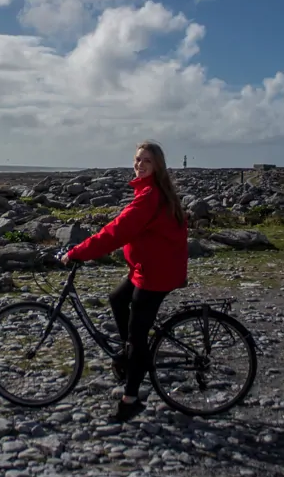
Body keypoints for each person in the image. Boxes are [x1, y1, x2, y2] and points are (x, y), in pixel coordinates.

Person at [61, 140, 189, 422]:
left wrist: (77, 252)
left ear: (157, 166)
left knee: (137, 337)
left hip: (156, 274)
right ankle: (127, 355)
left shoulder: (149, 197)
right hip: (148, 268)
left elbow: (116, 232)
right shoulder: (151, 191)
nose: (139, 164)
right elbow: (122, 229)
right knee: (117, 298)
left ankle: (130, 399)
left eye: (146, 161)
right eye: (137, 159)